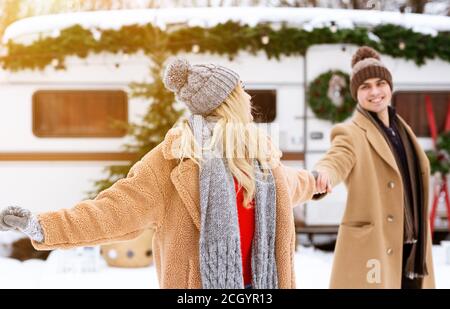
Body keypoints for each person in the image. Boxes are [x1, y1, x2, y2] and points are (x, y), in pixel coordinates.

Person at [0, 58, 319, 289]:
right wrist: (41, 225)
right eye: (242, 90)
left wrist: (316, 183)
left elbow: (290, 184)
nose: (249, 97)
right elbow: (114, 211)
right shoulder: (175, 160)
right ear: (230, 101)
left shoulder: (262, 155)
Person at [313, 46, 435, 289]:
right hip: (377, 247)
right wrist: (323, 174)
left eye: (380, 83)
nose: (375, 92)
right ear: (355, 94)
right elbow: (337, 157)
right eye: (365, 86)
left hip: (413, 250)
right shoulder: (351, 132)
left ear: (390, 86)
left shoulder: (402, 129)